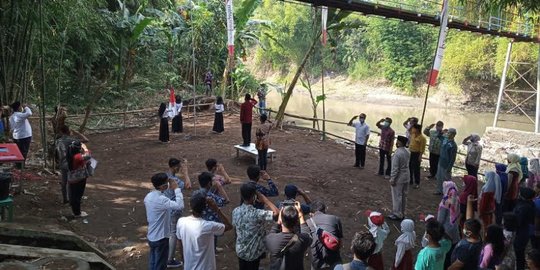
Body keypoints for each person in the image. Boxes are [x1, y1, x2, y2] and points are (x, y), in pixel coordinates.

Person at [176, 192, 233, 270]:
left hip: (188, 266)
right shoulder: (208, 226)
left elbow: (180, 243)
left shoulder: (181, 222)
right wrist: (216, 208)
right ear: (205, 208)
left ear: (190, 205)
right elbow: (229, 226)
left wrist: (183, 260)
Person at [232, 183, 279, 270]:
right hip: (253, 252)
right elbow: (277, 213)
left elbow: (235, 229)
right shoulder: (257, 213)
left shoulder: (235, 211)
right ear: (254, 197)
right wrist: (265, 199)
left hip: (240, 250)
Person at [144, 173, 185, 270]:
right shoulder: (161, 200)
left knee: (153, 262)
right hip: (161, 237)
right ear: (163, 186)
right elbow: (180, 206)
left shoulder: (148, 196)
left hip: (152, 235)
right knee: (160, 265)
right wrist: (176, 189)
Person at [265, 202, 312, 270]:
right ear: (296, 222)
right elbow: (307, 234)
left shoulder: (270, 239)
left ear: (281, 220)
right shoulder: (303, 240)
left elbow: (273, 231)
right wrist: (301, 216)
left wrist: (278, 221)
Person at [164, 158, 191, 268]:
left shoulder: (165, 177)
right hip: (174, 209)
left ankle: (167, 256)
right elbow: (188, 186)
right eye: (179, 167)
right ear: (175, 167)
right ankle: (170, 259)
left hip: (166, 208)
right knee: (173, 234)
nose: (180, 168)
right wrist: (186, 173)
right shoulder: (174, 180)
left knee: (168, 232)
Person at [55, 125, 89, 204]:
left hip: (63, 163)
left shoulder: (58, 141)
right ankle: (74, 199)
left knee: (64, 181)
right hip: (73, 163)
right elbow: (86, 140)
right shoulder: (73, 140)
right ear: (69, 132)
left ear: (61, 132)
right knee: (74, 182)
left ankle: (65, 199)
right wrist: (77, 133)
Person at [308, 200, 343, 270]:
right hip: (334, 260)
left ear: (311, 213)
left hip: (317, 263)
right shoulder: (335, 219)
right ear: (324, 210)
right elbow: (340, 243)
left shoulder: (308, 223)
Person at [437, 180, 461, 265]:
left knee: (445, 252)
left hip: (445, 230)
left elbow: (440, 219)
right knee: (453, 249)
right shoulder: (457, 199)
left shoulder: (445, 202)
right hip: (454, 227)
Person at [66, 141, 91, 218]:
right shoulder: (77, 157)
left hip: (72, 178)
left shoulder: (70, 154)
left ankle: (75, 211)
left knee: (74, 195)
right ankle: (77, 213)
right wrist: (85, 148)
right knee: (77, 196)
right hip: (79, 179)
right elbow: (88, 155)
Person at [388, 136, 410, 221]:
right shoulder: (407, 152)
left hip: (399, 177)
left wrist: (393, 178)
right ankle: (403, 212)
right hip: (406, 175)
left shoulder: (397, 153)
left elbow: (395, 168)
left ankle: (397, 213)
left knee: (397, 196)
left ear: (400, 142)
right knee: (404, 195)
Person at [513, 187, 536, 270]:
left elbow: (518, 222)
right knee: (520, 250)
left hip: (522, 232)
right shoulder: (530, 203)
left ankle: (520, 267)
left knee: (519, 251)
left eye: (520, 193)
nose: (518, 194)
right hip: (526, 230)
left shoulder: (523, 208)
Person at [435, 128, 458, 195]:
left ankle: (447, 192)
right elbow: (438, 136)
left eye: (449, 133)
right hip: (440, 162)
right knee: (439, 177)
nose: (448, 134)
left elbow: (452, 158)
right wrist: (441, 132)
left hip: (446, 165)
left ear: (453, 135)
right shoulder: (445, 140)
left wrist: (449, 167)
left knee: (446, 179)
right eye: (448, 132)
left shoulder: (453, 145)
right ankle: (439, 190)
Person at [408, 124, 426, 189]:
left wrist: (420, 156)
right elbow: (409, 130)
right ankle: (410, 180)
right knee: (410, 166)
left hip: (417, 153)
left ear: (417, 129)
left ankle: (417, 182)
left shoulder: (422, 138)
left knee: (416, 168)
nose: (413, 130)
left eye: (414, 128)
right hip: (411, 152)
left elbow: (422, 148)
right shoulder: (413, 134)